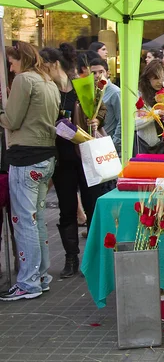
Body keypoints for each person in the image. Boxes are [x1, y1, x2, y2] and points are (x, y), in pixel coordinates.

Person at [39, 44, 108, 278]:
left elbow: (101, 110)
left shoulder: (81, 88)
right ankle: (71, 259)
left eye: (43, 66)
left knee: (92, 206)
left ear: (54, 65)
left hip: (86, 155)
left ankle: (93, 259)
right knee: (67, 208)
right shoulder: (47, 90)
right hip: (62, 158)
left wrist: (97, 120)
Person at [0, 42, 60, 301]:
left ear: (20, 60)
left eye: (11, 63)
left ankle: (29, 281)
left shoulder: (25, 80)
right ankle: (40, 276)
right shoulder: (48, 81)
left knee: (24, 221)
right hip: (46, 156)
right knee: (36, 221)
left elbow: (12, 120)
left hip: (25, 157)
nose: (10, 69)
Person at [134, 60, 164, 154]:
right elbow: (133, 124)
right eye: (156, 78)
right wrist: (153, 115)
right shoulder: (139, 96)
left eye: (163, 78)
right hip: (145, 147)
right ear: (148, 78)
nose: (160, 82)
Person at [90, 58, 121, 155]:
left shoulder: (115, 92)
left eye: (101, 72)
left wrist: (114, 143)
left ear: (107, 73)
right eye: (93, 73)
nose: (97, 75)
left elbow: (122, 120)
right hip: (95, 144)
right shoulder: (92, 91)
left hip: (109, 144)